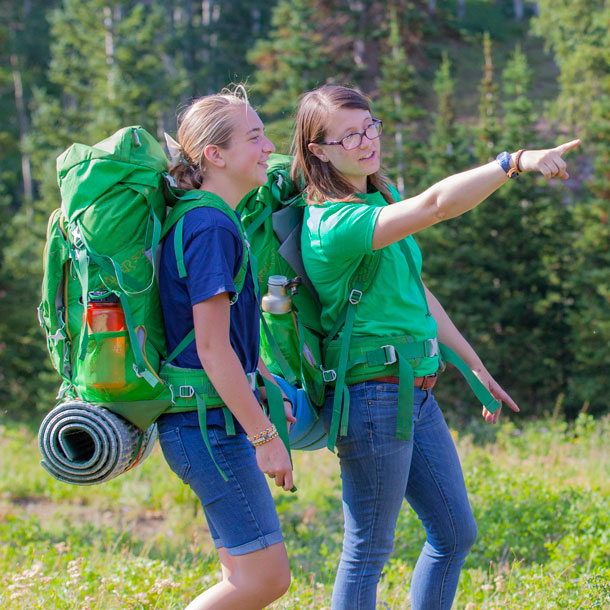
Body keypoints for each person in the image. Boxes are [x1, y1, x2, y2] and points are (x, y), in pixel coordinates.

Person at [291, 84, 579, 610]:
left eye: (369, 126)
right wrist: (514, 162)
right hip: (372, 400)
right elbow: (438, 205)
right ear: (317, 151)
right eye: (348, 134)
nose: (366, 141)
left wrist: (472, 363)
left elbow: (415, 292)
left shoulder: (377, 201)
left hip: (414, 393)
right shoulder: (333, 223)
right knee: (368, 552)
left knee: (454, 534)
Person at [157, 86, 295, 610]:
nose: (268, 147)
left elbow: (228, 340)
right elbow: (212, 350)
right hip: (207, 426)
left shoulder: (207, 218)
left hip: (205, 422)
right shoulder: (210, 224)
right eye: (255, 137)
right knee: (263, 580)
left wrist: (264, 381)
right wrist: (265, 438)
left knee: (238, 573)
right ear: (214, 155)